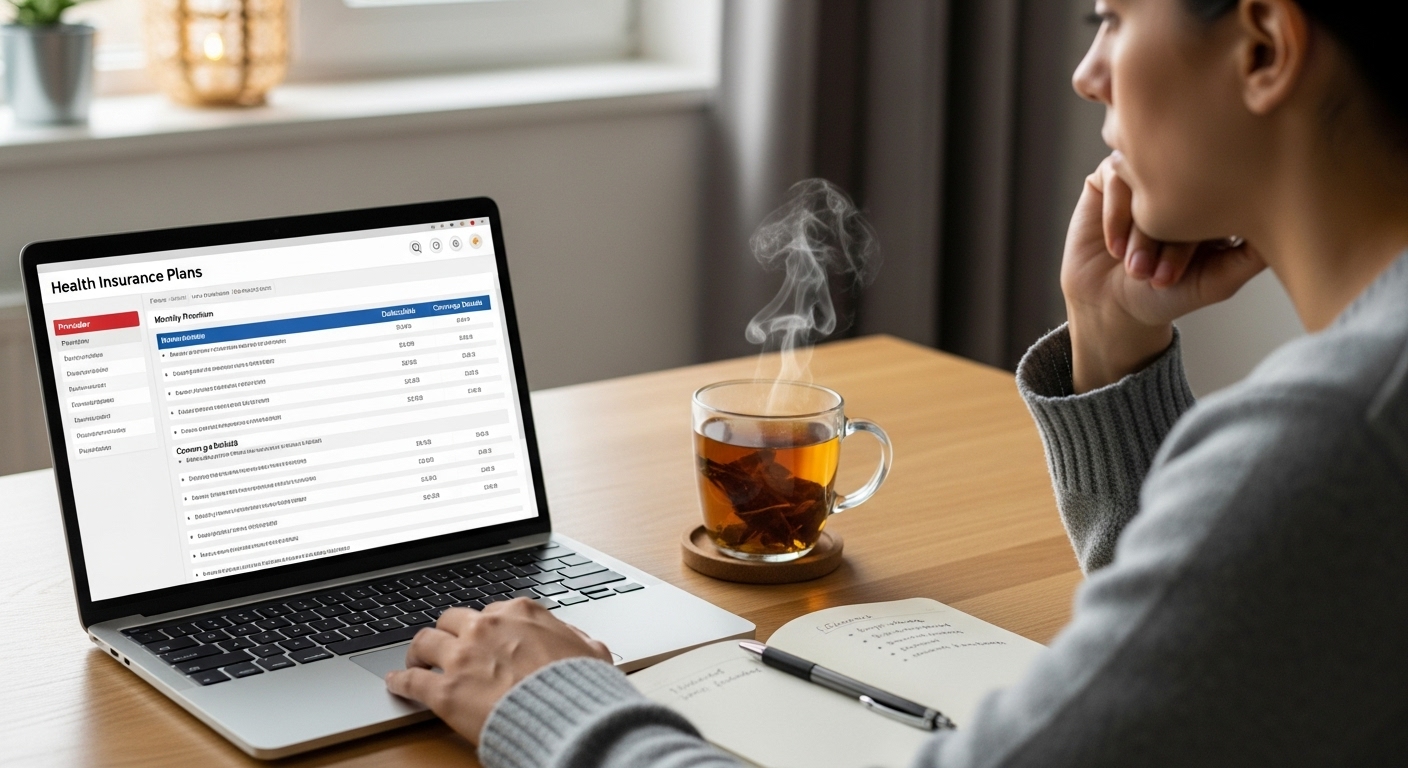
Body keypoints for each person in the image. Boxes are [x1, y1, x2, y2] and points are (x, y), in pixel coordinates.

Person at [384, 0, 1408, 764]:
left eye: (1112, 17)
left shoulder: (1333, 438)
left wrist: (556, 704)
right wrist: (1109, 338)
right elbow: (1200, 663)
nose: (1086, 74)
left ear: (1264, 48)